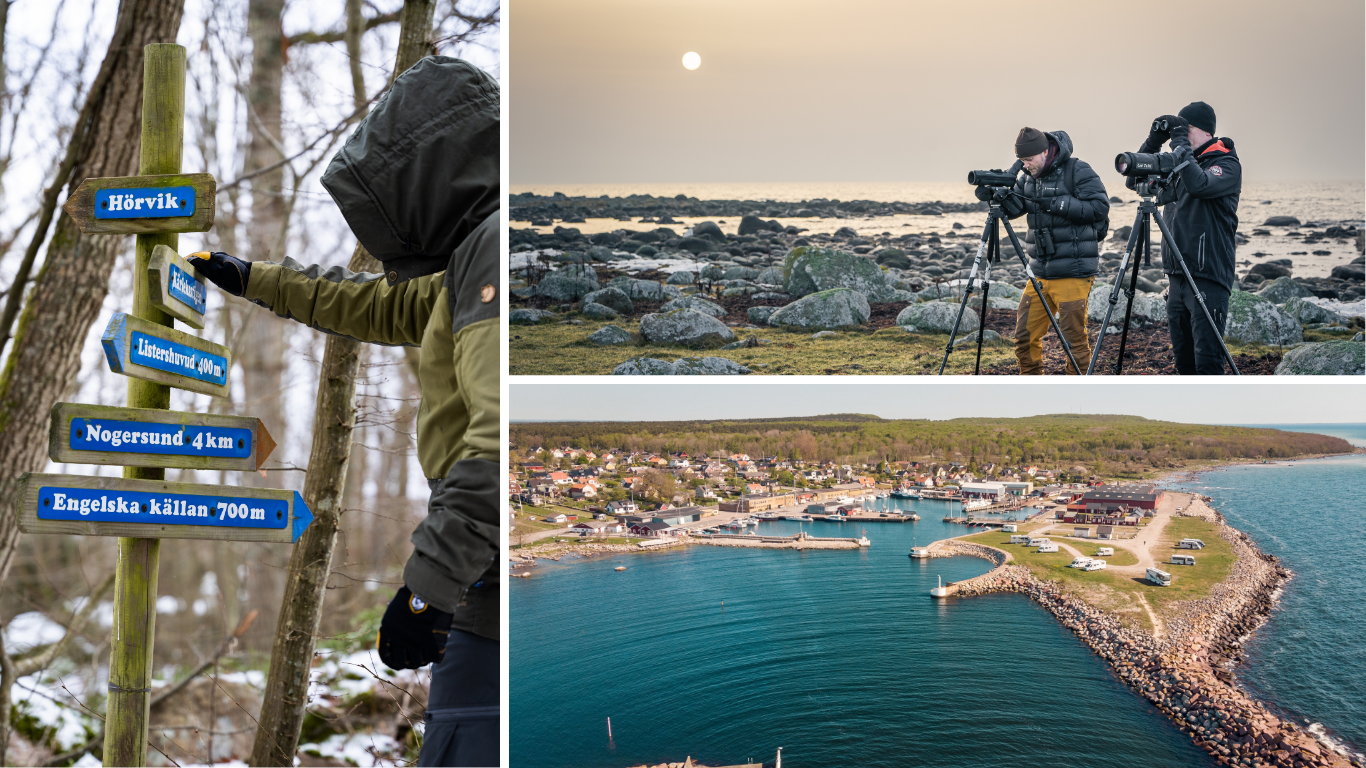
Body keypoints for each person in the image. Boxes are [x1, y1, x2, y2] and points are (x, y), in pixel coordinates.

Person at [188, 57, 499, 767]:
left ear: (431, 172)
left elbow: (495, 443)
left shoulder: (491, 249)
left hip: (484, 582)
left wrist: (427, 591)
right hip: (484, 580)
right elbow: (374, 303)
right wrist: (251, 278)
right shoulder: (473, 259)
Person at [979, 127, 1110, 374]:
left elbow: (1100, 207)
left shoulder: (1077, 170)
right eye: (1022, 161)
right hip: (1039, 273)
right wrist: (996, 198)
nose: (1025, 165)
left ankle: (1079, 390)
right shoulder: (1028, 176)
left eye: (1028, 160)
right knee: (1024, 338)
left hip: (1074, 271)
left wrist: (1057, 203)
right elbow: (1014, 209)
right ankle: (1031, 387)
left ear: (1045, 151)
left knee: (1074, 342)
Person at [1132, 101, 1241, 374]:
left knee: (1207, 365)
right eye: (1179, 131)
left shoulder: (1226, 164)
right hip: (1177, 277)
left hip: (1208, 277)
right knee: (1184, 364)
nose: (1181, 136)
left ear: (1206, 132)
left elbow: (1200, 184)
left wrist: (1180, 144)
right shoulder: (1179, 162)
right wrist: (1154, 140)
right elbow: (1134, 180)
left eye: (1187, 129)